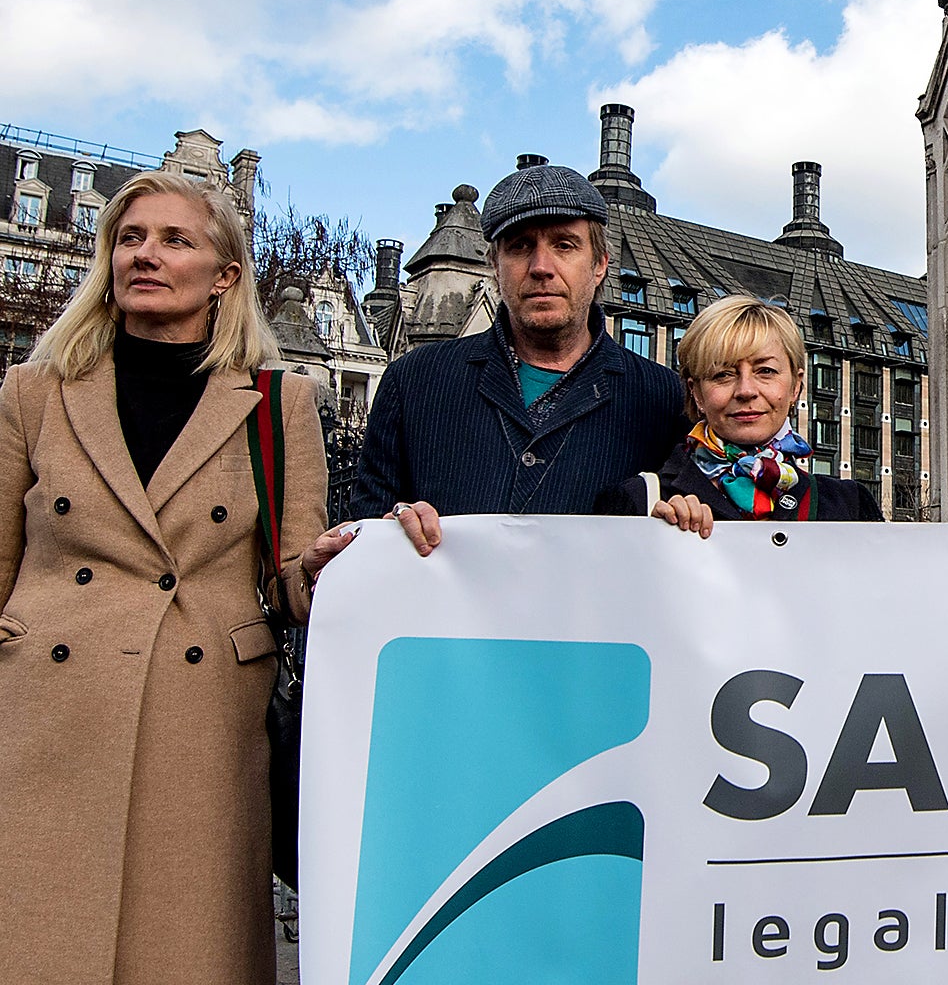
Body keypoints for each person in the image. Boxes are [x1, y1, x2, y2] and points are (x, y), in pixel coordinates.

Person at [0, 172, 355, 985]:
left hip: (199, 724)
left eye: (173, 240)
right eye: (130, 239)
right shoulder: (35, 391)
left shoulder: (279, 403)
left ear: (225, 275)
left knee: (185, 955)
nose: (145, 256)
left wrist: (333, 564)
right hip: (45, 717)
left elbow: (293, 583)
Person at [349, 161, 686, 550]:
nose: (541, 267)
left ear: (599, 265)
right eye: (519, 246)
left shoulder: (661, 398)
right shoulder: (414, 382)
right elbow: (366, 532)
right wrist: (393, 526)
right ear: (494, 265)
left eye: (564, 245)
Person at [596, 293, 882, 527]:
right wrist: (652, 541)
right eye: (723, 375)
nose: (746, 390)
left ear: (796, 386)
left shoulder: (849, 505)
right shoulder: (639, 501)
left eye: (766, 371)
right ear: (696, 392)